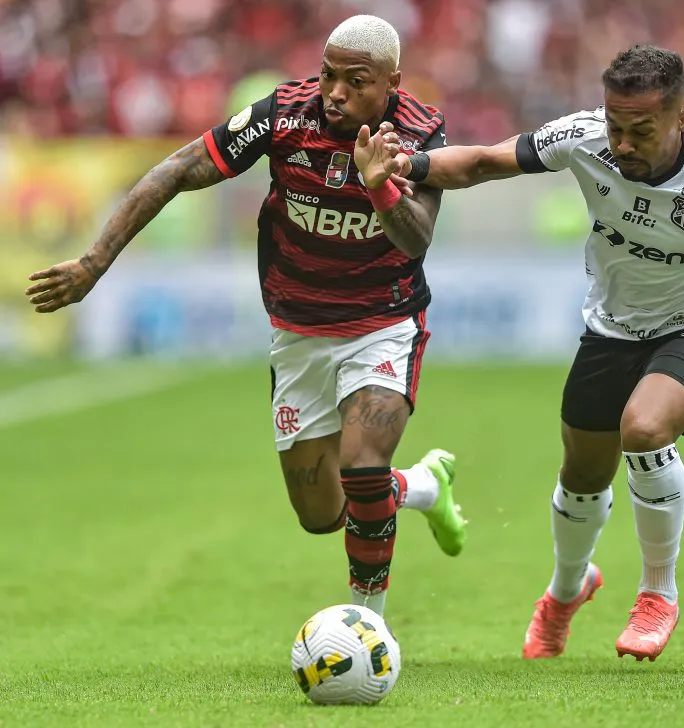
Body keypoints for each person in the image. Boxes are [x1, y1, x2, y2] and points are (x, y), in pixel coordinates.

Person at [365, 44, 684, 660]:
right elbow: (484, 160)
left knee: (643, 428)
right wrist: (408, 164)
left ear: (682, 120)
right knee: (582, 474)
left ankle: (658, 594)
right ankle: (566, 591)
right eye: (617, 126)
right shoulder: (585, 137)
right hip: (612, 330)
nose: (623, 143)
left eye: (642, 130)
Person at [24, 15, 467, 617]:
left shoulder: (419, 133)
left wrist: (380, 185)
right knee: (321, 515)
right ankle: (420, 487)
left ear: (391, 82)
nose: (334, 92)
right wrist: (95, 262)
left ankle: (369, 628)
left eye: (354, 81)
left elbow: (416, 238)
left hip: (381, 323)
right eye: (327, 75)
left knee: (363, 468)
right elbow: (179, 168)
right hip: (298, 328)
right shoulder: (285, 115)